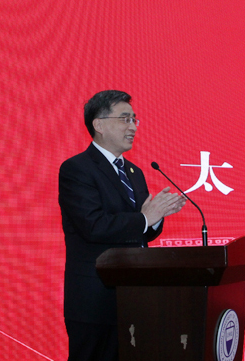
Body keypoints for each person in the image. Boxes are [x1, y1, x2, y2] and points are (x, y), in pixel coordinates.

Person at [59, 90, 186, 360]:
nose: (133, 127)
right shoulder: (77, 169)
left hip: (134, 296)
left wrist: (157, 217)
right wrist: (145, 218)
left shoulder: (134, 172)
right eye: (125, 119)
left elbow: (140, 233)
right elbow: (93, 226)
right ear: (99, 124)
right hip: (95, 299)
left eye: (134, 120)